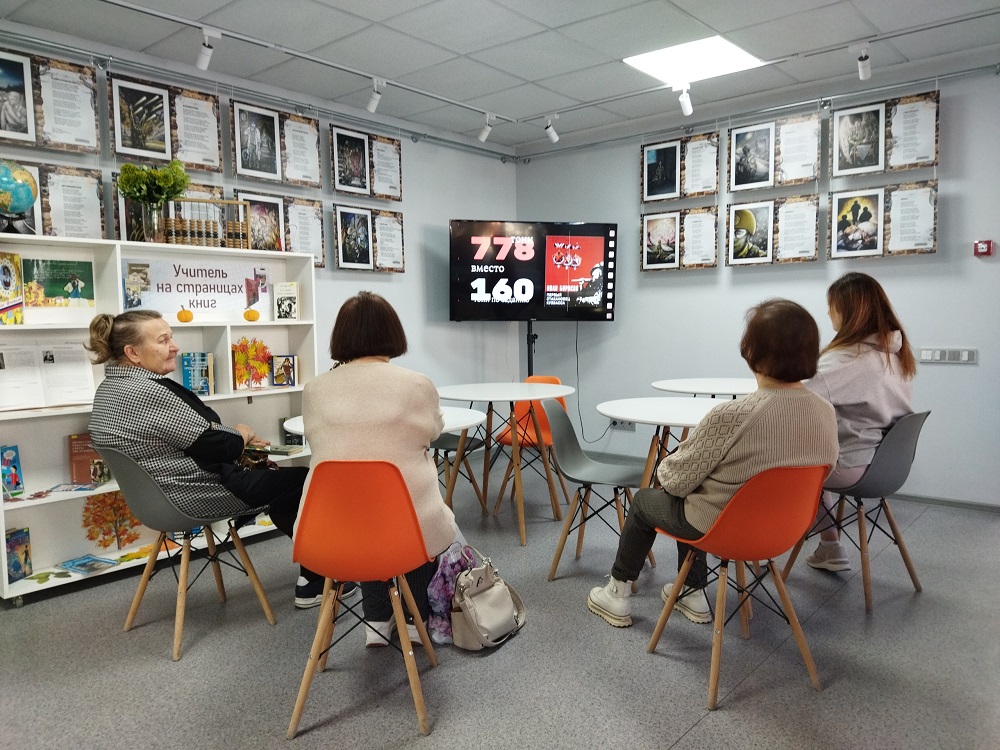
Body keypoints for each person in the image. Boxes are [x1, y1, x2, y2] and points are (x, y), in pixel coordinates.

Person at [588, 299, 839, 628]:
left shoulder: (732, 415)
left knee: (649, 501)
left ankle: (618, 594)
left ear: (751, 351)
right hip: (785, 531)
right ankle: (690, 592)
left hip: (720, 529)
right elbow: (826, 469)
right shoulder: (825, 411)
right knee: (693, 494)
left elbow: (676, 479)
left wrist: (670, 470)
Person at [84, 310, 335, 608]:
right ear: (133, 353)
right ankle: (319, 578)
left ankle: (315, 574)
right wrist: (241, 434)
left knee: (280, 483)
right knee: (303, 481)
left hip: (155, 502)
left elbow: (193, 437)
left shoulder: (109, 389)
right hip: (193, 496)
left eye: (171, 338)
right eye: (163, 340)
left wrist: (236, 441)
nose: (174, 346)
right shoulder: (147, 392)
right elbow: (220, 447)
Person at [299, 291, 458, 647]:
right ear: (393, 333)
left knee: (363, 508)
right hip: (407, 533)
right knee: (408, 511)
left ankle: (376, 622)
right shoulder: (416, 384)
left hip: (329, 531)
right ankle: (415, 622)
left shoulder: (314, 389)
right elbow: (433, 432)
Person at [803, 272, 915, 571]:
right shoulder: (894, 352)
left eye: (832, 306)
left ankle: (755, 542)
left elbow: (794, 396)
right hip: (887, 465)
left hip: (854, 465)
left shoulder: (848, 360)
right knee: (816, 455)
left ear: (848, 311)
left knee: (785, 463)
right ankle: (829, 546)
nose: (828, 312)